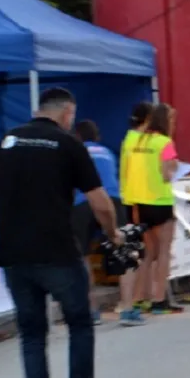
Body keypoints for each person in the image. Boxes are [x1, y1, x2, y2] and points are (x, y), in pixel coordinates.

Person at [0, 88, 117, 378]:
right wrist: (114, 234)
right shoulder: (68, 144)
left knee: (32, 333)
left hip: (14, 255)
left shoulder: (8, 140)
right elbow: (100, 202)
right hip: (57, 251)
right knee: (79, 324)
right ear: (68, 112)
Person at [70, 120, 141, 326]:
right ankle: (127, 309)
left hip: (82, 203)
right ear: (97, 136)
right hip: (111, 200)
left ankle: (91, 311)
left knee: (82, 256)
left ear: (77, 137)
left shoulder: (73, 151)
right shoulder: (107, 153)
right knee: (125, 252)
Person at [121, 103, 183, 315]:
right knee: (164, 252)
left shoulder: (138, 140)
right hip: (160, 201)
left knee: (147, 253)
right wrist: (176, 168)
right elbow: (166, 175)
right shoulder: (165, 142)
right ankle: (159, 299)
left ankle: (140, 297)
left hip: (140, 202)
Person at [119, 102, 156, 312]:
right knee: (139, 252)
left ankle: (141, 297)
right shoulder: (138, 140)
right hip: (137, 201)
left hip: (134, 200)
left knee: (145, 252)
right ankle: (135, 300)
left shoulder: (130, 138)